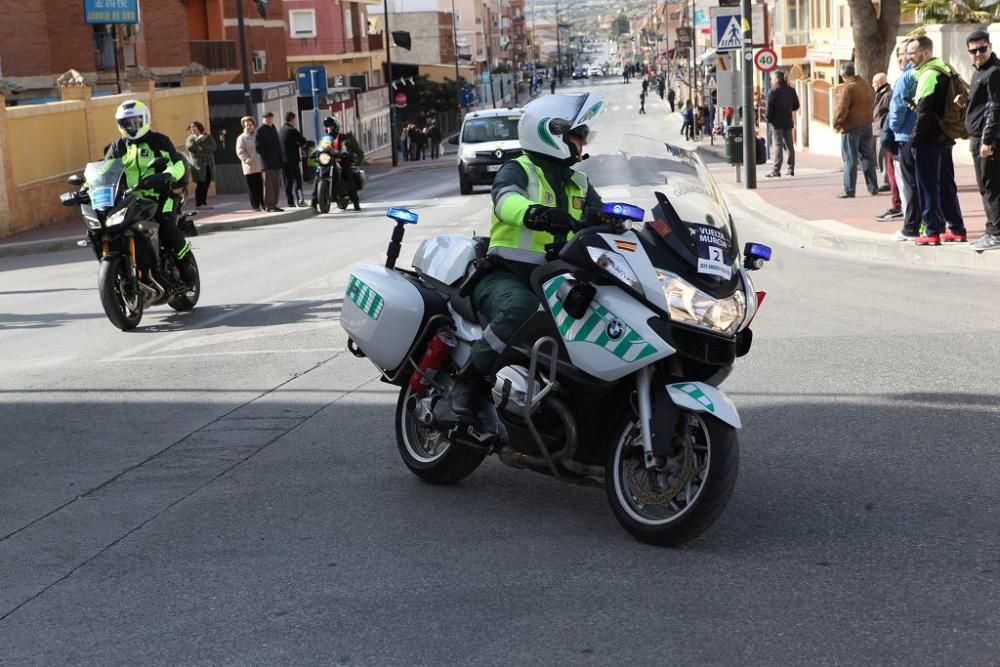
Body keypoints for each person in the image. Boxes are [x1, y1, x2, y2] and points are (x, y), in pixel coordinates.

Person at [449, 93, 606, 418]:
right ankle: (470, 381)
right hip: (506, 274)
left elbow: (603, 215)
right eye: (577, 134)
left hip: (559, 279)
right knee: (519, 307)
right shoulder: (519, 169)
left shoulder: (579, 181)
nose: (582, 140)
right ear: (552, 133)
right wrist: (534, 213)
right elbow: (505, 200)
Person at [104, 100, 195, 283]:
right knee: (109, 229)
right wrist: (86, 187)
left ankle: (186, 265)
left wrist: (167, 176)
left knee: (167, 226)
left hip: (161, 195)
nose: (131, 126)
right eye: (126, 123)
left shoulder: (159, 141)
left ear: (145, 119)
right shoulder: (117, 147)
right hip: (129, 200)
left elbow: (176, 163)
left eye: (135, 121)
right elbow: (105, 171)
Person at [906, 36, 968, 245]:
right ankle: (957, 228)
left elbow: (924, 112)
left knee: (928, 186)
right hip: (945, 137)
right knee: (946, 184)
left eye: (912, 53)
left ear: (925, 52)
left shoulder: (929, 75)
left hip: (929, 141)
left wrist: (914, 140)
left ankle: (932, 230)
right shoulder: (945, 69)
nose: (909, 58)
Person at [964, 30, 1000, 252]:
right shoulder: (979, 72)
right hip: (976, 137)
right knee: (984, 187)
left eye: (982, 49)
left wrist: (988, 140)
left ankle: (996, 233)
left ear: (990, 46)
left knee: (991, 186)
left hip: (987, 140)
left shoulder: (994, 72)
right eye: (973, 50)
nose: (978, 54)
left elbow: (995, 108)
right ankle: (991, 230)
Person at [884, 45, 923, 241]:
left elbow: (897, 108)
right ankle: (930, 224)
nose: (904, 58)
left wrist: (896, 129)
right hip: (924, 137)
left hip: (907, 137)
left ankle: (911, 227)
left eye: (907, 54)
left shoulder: (907, 78)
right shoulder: (927, 73)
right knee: (926, 183)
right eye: (901, 55)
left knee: (909, 185)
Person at [833, 62, 880, 198]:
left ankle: (849, 189)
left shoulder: (849, 87)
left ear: (843, 74)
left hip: (851, 127)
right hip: (866, 125)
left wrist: (837, 123)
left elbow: (842, 109)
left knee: (850, 159)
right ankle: (873, 187)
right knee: (867, 157)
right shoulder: (864, 84)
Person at [311, 115, 361, 211]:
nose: (329, 128)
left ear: (335, 127)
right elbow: (320, 147)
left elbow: (344, 146)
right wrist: (314, 153)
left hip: (340, 160)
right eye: (327, 127)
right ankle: (313, 203)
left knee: (348, 174)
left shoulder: (341, 137)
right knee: (317, 175)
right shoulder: (326, 139)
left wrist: (344, 152)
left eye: (331, 126)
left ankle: (356, 202)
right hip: (328, 160)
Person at [872, 72, 901, 218]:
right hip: (883, 132)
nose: (873, 85)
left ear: (879, 82)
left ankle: (898, 205)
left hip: (889, 134)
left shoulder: (889, 95)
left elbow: (891, 116)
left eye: (874, 82)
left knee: (891, 169)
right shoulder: (881, 94)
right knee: (887, 166)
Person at [765, 70, 800, 178]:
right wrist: (788, 110)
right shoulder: (791, 90)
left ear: (776, 79)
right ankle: (791, 169)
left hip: (776, 123)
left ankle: (776, 170)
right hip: (788, 121)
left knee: (778, 145)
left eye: (772, 79)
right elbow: (796, 105)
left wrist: (768, 119)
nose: (771, 81)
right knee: (790, 146)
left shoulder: (773, 92)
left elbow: (769, 110)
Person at [255, 111, 284, 212]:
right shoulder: (260, 130)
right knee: (269, 186)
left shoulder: (273, 128)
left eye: (270, 117)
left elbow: (278, 144)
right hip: (267, 163)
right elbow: (258, 147)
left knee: (276, 184)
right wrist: (267, 155)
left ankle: (274, 204)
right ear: (263, 119)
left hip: (276, 162)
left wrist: (280, 157)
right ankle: (268, 205)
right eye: (267, 118)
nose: (269, 119)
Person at [185, 120, 217, 209]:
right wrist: (198, 140)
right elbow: (190, 147)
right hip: (198, 166)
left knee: (207, 183)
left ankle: (204, 202)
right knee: (200, 183)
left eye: (194, 127)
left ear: (199, 127)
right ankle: (199, 204)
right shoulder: (191, 138)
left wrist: (201, 148)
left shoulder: (207, 137)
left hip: (208, 164)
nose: (192, 129)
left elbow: (213, 147)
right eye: (191, 127)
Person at [279, 111, 308, 208]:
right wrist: (299, 144)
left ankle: (290, 201)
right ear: (292, 119)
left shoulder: (281, 130)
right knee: (298, 181)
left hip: (283, 161)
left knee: (288, 181)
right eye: (294, 119)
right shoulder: (293, 130)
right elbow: (303, 141)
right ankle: (300, 200)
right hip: (293, 160)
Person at [236, 116, 264, 211]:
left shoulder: (259, 135)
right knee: (253, 187)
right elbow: (240, 151)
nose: (248, 127)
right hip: (250, 166)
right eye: (246, 125)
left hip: (260, 165)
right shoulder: (241, 138)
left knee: (261, 186)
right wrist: (247, 160)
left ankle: (263, 204)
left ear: (254, 125)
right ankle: (255, 205)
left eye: (250, 125)